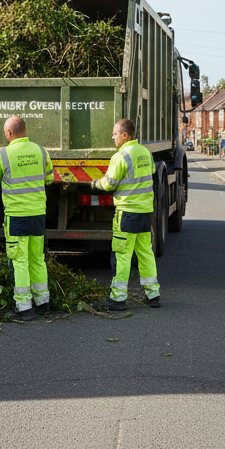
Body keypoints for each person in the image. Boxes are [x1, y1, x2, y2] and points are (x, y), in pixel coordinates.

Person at [0, 115, 53, 321]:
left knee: (20, 261)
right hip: (38, 214)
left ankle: (24, 307)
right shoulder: (41, 152)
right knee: (37, 258)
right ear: (25, 130)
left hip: (17, 217)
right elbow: (49, 178)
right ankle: (43, 303)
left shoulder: (3, 155)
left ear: (9, 133)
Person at [91, 118, 160, 311]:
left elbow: (109, 184)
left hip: (127, 213)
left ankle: (118, 298)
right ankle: (153, 294)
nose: (112, 137)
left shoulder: (121, 156)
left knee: (122, 255)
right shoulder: (146, 153)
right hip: (145, 212)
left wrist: (93, 183)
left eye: (114, 133)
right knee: (145, 253)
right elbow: (150, 173)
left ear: (124, 135)